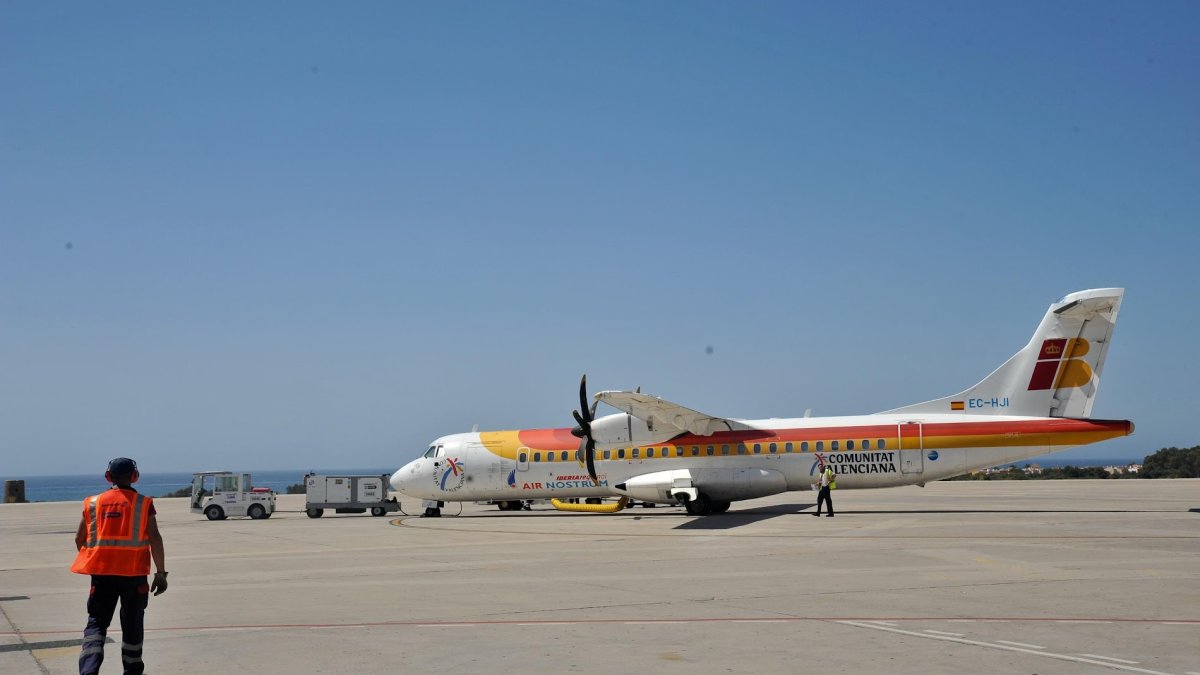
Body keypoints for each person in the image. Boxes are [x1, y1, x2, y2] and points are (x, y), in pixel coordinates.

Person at [71, 458, 168, 675]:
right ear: (135, 477)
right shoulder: (144, 503)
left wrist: (95, 559)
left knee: (96, 624)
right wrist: (160, 573)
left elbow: (79, 538)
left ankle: (88, 670)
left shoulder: (92, 503)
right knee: (132, 625)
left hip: (102, 575)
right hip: (134, 575)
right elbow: (155, 537)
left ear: (108, 477)